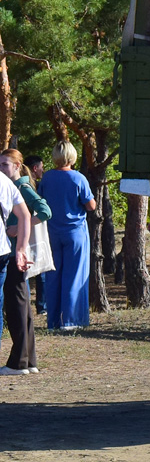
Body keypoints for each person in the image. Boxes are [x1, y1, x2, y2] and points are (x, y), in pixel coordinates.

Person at [0, 150, 50, 375]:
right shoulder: (11, 186)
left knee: (17, 307)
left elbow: (45, 211)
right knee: (21, 306)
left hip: (13, 255)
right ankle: (28, 361)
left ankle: (20, 362)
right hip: (12, 253)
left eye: (5, 165)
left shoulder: (21, 187)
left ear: (18, 166)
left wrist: (17, 228)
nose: (2, 169)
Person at [39, 140, 96, 329]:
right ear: (72, 156)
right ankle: (71, 319)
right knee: (74, 276)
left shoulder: (47, 178)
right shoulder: (78, 178)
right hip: (75, 232)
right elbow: (90, 205)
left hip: (52, 232)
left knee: (53, 277)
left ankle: (53, 320)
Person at [0, 156, 33, 373]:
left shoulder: (9, 183)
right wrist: (20, 249)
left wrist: (21, 249)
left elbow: (32, 213)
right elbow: (24, 215)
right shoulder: (4, 181)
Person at [25, 154, 46, 316]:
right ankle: (41, 306)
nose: (42, 170)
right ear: (35, 168)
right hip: (34, 231)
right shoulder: (30, 187)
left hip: (27, 230)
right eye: (41, 167)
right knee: (39, 270)